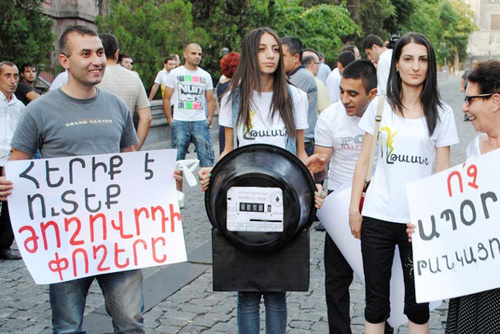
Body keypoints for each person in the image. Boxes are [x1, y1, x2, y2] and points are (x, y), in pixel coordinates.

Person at [0, 25, 144, 333]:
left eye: (100, 53)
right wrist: (5, 186)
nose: (97, 61)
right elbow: (17, 167)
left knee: (131, 322)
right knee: (67, 327)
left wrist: (155, 178)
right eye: (86, 54)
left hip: (116, 235)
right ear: (65, 61)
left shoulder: (116, 105)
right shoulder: (38, 110)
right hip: (66, 240)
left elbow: (131, 159)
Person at [197, 27, 325, 334]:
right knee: (247, 292)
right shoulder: (233, 98)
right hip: (241, 202)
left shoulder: (295, 96)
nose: (270, 56)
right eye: (262, 49)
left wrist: (314, 189)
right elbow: (228, 151)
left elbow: (298, 154)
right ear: (250, 54)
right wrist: (211, 177)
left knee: (278, 290)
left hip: (284, 204)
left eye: (275, 50)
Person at [349, 32, 459, 334]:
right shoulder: (380, 107)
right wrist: (353, 210)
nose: (416, 66)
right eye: (408, 59)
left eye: (422, 59)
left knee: (417, 306)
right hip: (377, 215)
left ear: (430, 65)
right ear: (396, 64)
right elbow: (363, 161)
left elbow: (443, 171)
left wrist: (434, 219)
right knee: (375, 305)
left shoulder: (442, 113)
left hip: (418, 223)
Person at [406, 60, 500, 333]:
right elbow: (462, 211)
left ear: (495, 101)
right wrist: (427, 228)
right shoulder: (475, 148)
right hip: (474, 273)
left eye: (470, 100)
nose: (464, 108)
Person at [310, 60, 377, 333]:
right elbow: (320, 163)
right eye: (341, 91)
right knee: (337, 280)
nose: (345, 99)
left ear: (371, 94)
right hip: (339, 204)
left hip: (376, 202)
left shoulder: (387, 115)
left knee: (378, 278)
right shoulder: (329, 117)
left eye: (353, 93)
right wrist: (315, 173)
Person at [163, 43, 215, 191]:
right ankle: (178, 195)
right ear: (185, 54)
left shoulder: (205, 76)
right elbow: (167, 97)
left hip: (200, 121)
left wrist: (209, 118)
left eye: (199, 54)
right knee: (176, 161)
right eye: (194, 53)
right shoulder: (175, 74)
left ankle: (209, 193)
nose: (197, 56)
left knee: (207, 159)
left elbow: (210, 99)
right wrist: (169, 119)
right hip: (180, 121)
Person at [98, 33, 152, 150]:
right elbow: (146, 118)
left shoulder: (90, 79)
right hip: (126, 147)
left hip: (97, 148)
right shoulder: (134, 77)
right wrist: (134, 148)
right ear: (117, 54)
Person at [0, 61, 24, 261]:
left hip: (11, 160)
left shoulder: (20, 106)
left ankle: (4, 245)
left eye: (16, 76)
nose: (13, 81)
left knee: (10, 204)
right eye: (8, 75)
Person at [281, 36, 318, 156]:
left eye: (283, 56)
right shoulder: (290, 77)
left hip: (303, 145)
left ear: (296, 57)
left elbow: (282, 102)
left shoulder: (302, 76)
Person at [215, 51, 240, 154]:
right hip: (235, 124)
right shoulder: (237, 84)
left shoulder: (221, 83)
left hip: (224, 124)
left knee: (225, 154)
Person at [302, 50, 332, 115]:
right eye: (319, 63)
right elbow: (326, 111)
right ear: (312, 64)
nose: (319, 66)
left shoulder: (292, 79)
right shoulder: (317, 83)